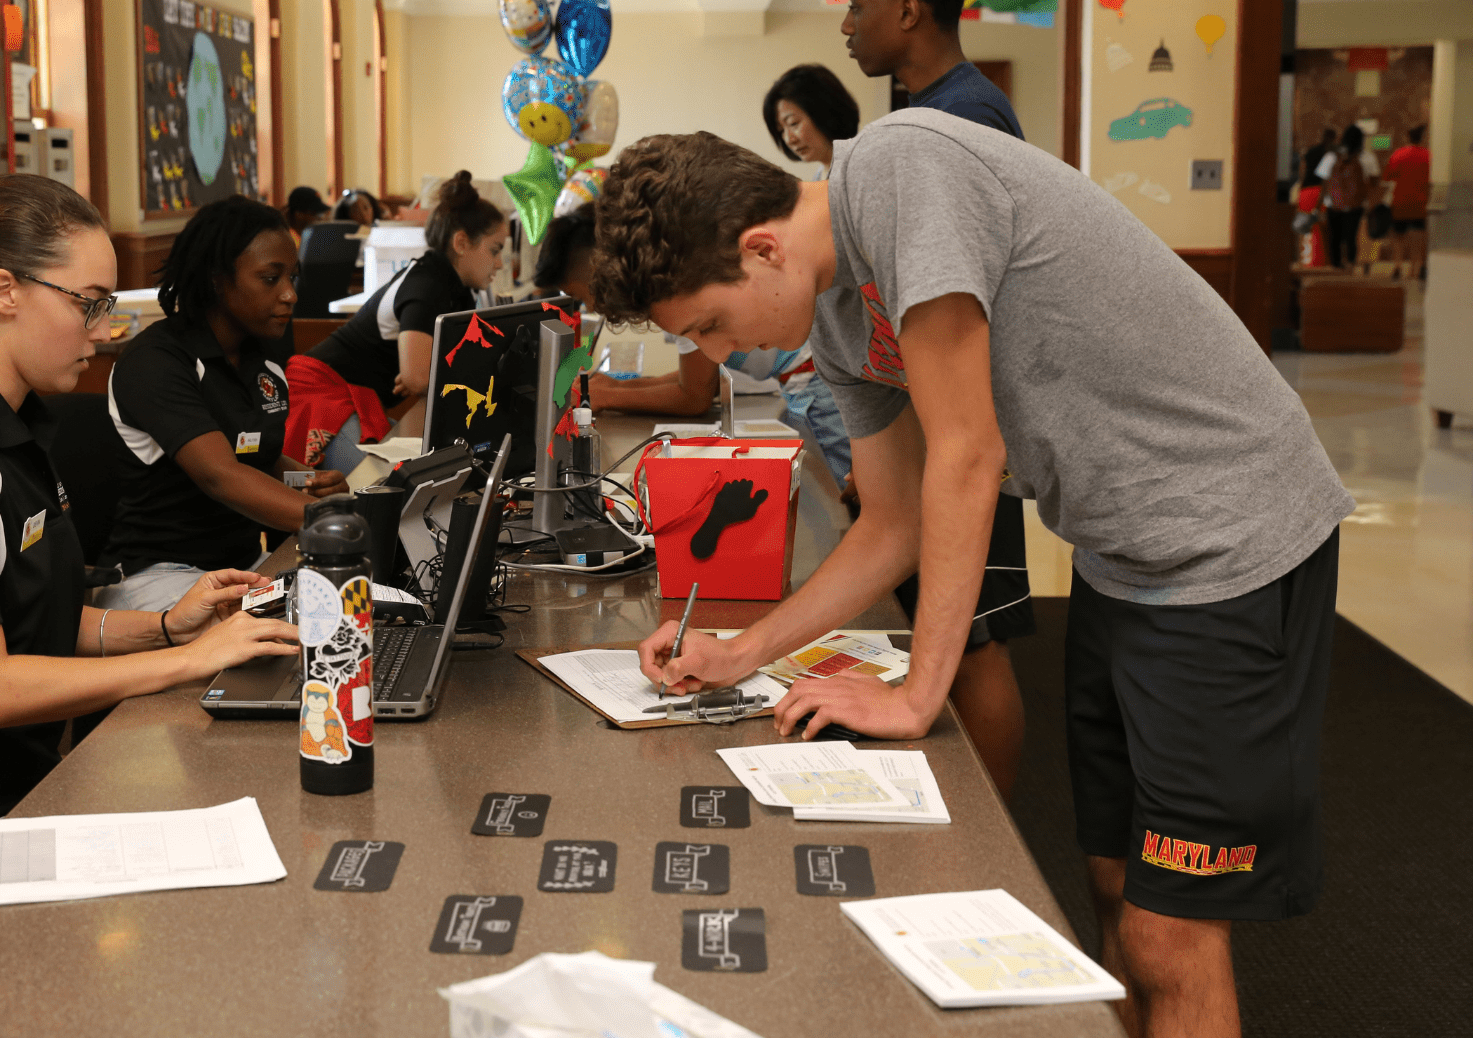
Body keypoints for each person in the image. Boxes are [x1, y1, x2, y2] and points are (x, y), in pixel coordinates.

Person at [595, 123, 1349, 1038]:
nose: (715, 354)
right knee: (1112, 881)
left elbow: (967, 453)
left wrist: (920, 692)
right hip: (1122, 553)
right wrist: (739, 652)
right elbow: (897, 517)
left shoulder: (902, 172)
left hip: (1227, 539)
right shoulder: (836, 314)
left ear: (763, 248)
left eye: (711, 323)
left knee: (1168, 934)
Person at [0, 177, 300, 922]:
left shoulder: (12, 429)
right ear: (4, 290)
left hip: (2, 797)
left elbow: (34, 618)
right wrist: (186, 662)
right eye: (89, 302)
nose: (105, 330)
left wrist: (172, 625)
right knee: (122, 931)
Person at [837, 0, 1034, 795]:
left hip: (966, 421)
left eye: (857, 3)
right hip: (931, 420)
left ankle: (1000, 833)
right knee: (944, 628)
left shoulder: (967, 116)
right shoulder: (918, 112)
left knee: (975, 638)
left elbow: (952, 311)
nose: (846, 22)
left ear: (908, 10)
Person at [97, 196, 349, 614]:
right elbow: (221, 475)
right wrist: (332, 519)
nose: (289, 294)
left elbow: (255, 456)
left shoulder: (261, 357)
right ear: (217, 279)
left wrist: (312, 484)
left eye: (292, 277)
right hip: (157, 576)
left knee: (346, 606)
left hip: (243, 567)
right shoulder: (155, 362)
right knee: (294, 630)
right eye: (270, 279)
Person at [283, 172, 508, 472]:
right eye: (495, 250)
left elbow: (438, 373)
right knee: (389, 489)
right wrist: (430, 371)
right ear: (462, 242)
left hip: (356, 398)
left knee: (432, 472)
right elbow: (417, 378)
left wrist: (434, 370)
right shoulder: (429, 284)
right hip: (319, 394)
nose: (500, 263)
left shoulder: (457, 289)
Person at [843, 0, 1021, 137]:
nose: (847, 26)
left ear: (907, 13)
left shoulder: (963, 115)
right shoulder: (949, 106)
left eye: (855, 8)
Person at [1316, 124, 1377, 272]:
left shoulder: (1331, 156)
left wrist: (1319, 204)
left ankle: (1335, 267)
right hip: (1356, 204)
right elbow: (1374, 182)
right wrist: (1370, 203)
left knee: (1335, 238)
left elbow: (1324, 181)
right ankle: (1350, 265)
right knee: (1351, 236)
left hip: (1333, 203)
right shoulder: (1367, 157)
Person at [1382, 124, 1430, 279]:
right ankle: (1417, 267)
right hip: (1420, 201)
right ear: (1421, 138)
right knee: (1418, 236)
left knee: (1398, 237)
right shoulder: (1428, 155)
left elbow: (1388, 175)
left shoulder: (1398, 154)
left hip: (1400, 200)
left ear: (1407, 137)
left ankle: (1397, 266)